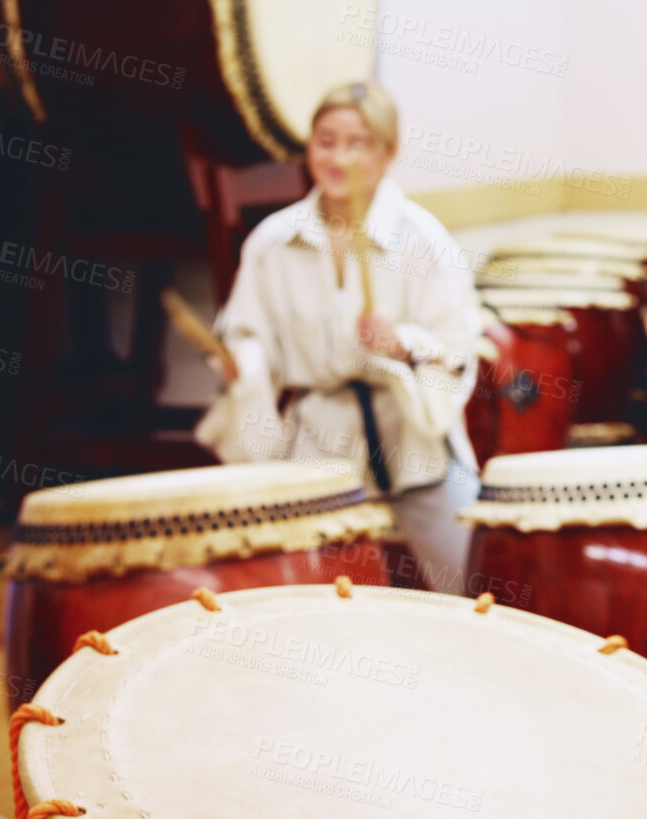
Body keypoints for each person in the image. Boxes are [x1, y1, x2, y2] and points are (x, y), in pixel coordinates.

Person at [196, 80, 482, 585]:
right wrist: (244, 361)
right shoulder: (273, 242)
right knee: (299, 593)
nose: (339, 157)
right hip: (318, 444)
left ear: (389, 152)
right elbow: (247, 333)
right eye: (326, 141)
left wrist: (403, 343)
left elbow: (456, 351)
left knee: (477, 576)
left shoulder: (424, 241)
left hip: (411, 445)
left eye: (358, 143)